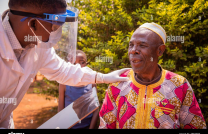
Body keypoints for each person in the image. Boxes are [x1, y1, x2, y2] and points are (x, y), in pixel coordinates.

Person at [0, 0, 130, 129]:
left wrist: (102, 77)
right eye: (55, 27)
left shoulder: (39, 47)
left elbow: (64, 71)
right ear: (33, 24)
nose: (57, 33)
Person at [99, 22, 207, 129]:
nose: (133, 50)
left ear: (160, 50)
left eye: (142, 45)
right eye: (131, 45)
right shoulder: (118, 83)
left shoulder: (179, 85)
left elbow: (195, 127)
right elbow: (105, 126)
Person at [58, 50, 99, 129]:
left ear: (86, 64)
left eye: (82, 62)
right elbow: (60, 109)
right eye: (74, 63)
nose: (78, 66)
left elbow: (96, 109)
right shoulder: (63, 83)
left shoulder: (92, 82)